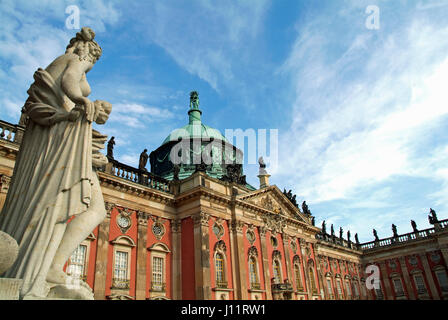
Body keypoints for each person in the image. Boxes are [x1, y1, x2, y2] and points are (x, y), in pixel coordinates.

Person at [0, 27, 110, 299]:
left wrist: (89, 147)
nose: (91, 65)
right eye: (92, 60)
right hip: (60, 142)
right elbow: (70, 82)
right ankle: (48, 267)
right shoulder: (74, 61)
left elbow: (65, 97)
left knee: (87, 209)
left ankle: (50, 265)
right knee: (78, 208)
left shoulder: (64, 63)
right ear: (85, 51)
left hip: (68, 141)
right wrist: (85, 101)